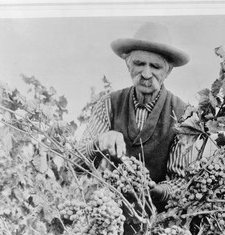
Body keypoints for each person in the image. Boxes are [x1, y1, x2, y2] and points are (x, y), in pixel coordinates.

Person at [78, 22, 191, 205]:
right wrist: (99, 142)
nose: (146, 74)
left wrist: (156, 190)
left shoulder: (183, 115)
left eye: (155, 66)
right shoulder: (109, 104)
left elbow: (181, 182)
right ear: (128, 64)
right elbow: (77, 163)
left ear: (168, 71)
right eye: (139, 63)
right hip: (112, 217)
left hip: (161, 222)